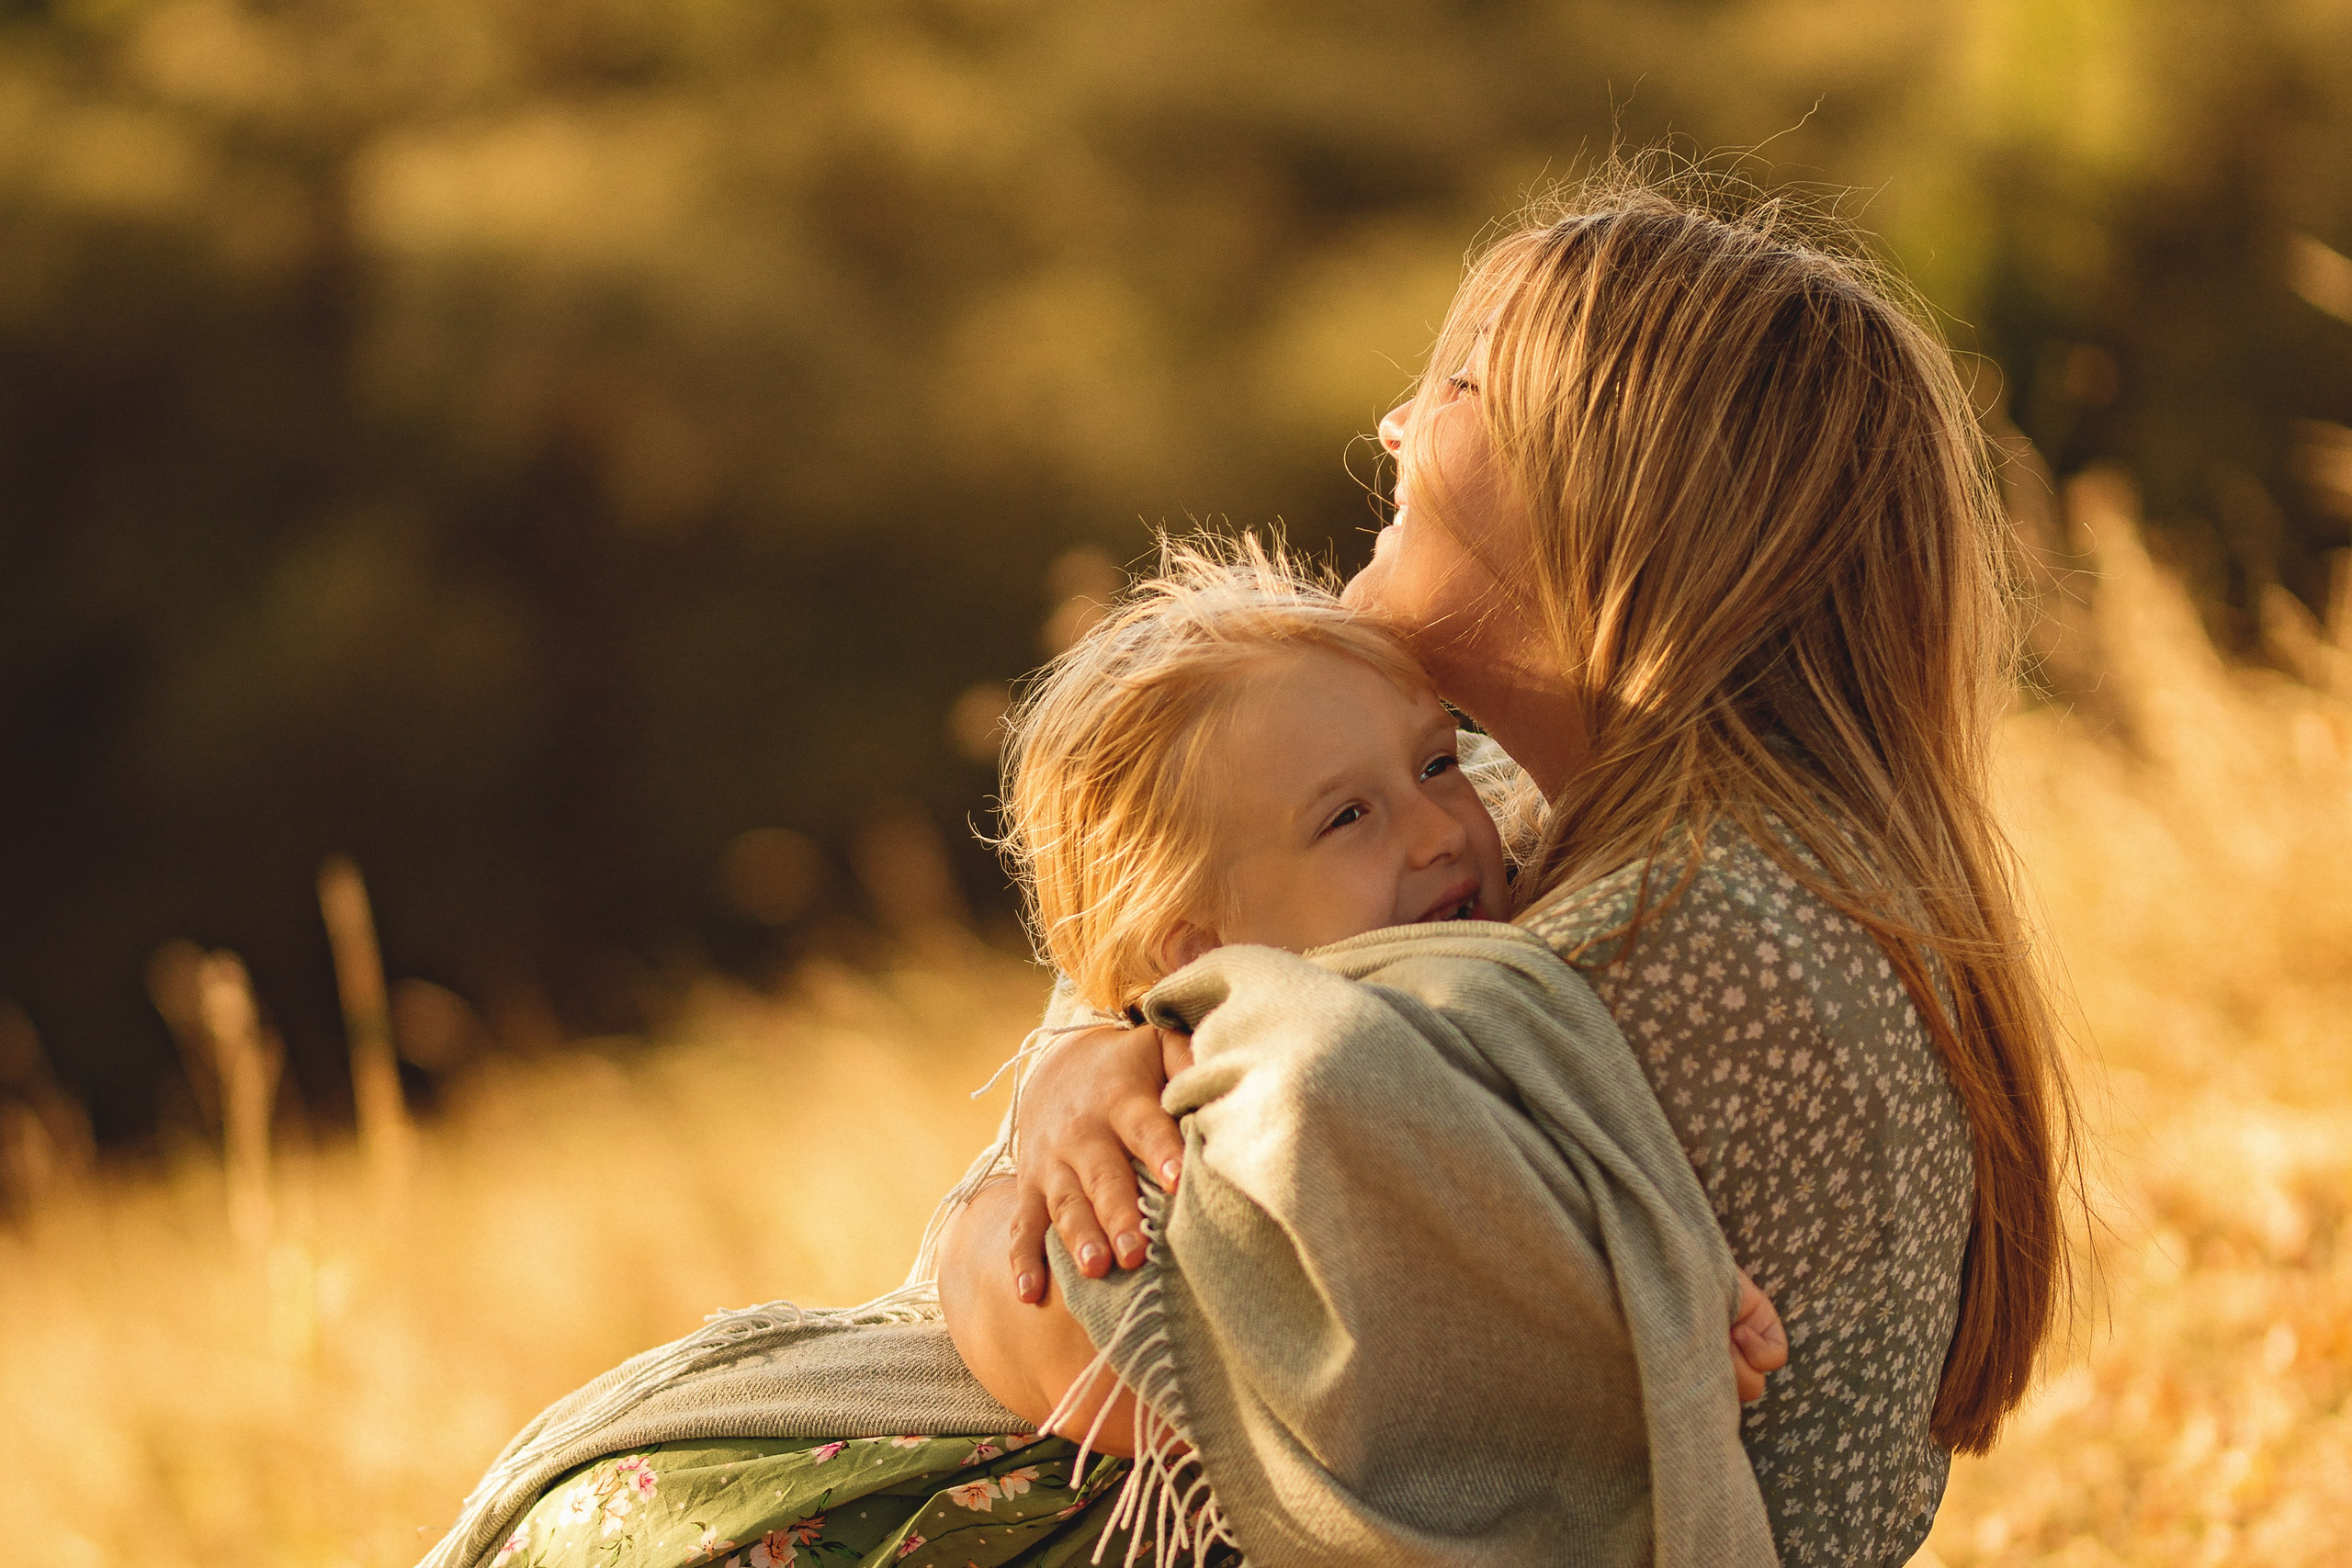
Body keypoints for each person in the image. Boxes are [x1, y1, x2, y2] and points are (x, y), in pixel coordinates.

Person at [996, 168, 2078, 1568]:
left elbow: (1106, 1340)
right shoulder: (1541, 827)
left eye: (1453, 386)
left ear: (1612, 482)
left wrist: (1031, 1171)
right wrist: (1093, 1051)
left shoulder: (1671, 936)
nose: (1390, 422)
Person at [455, 546, 1785, 1568]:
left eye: (1437, 763)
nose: (1443, 828)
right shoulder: (1227, 1088)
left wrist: (1639, 1290)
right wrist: (1605, 1354)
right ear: (1198, 941)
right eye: (1348, 815)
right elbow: (1098, 1335)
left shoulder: (1494, 953)